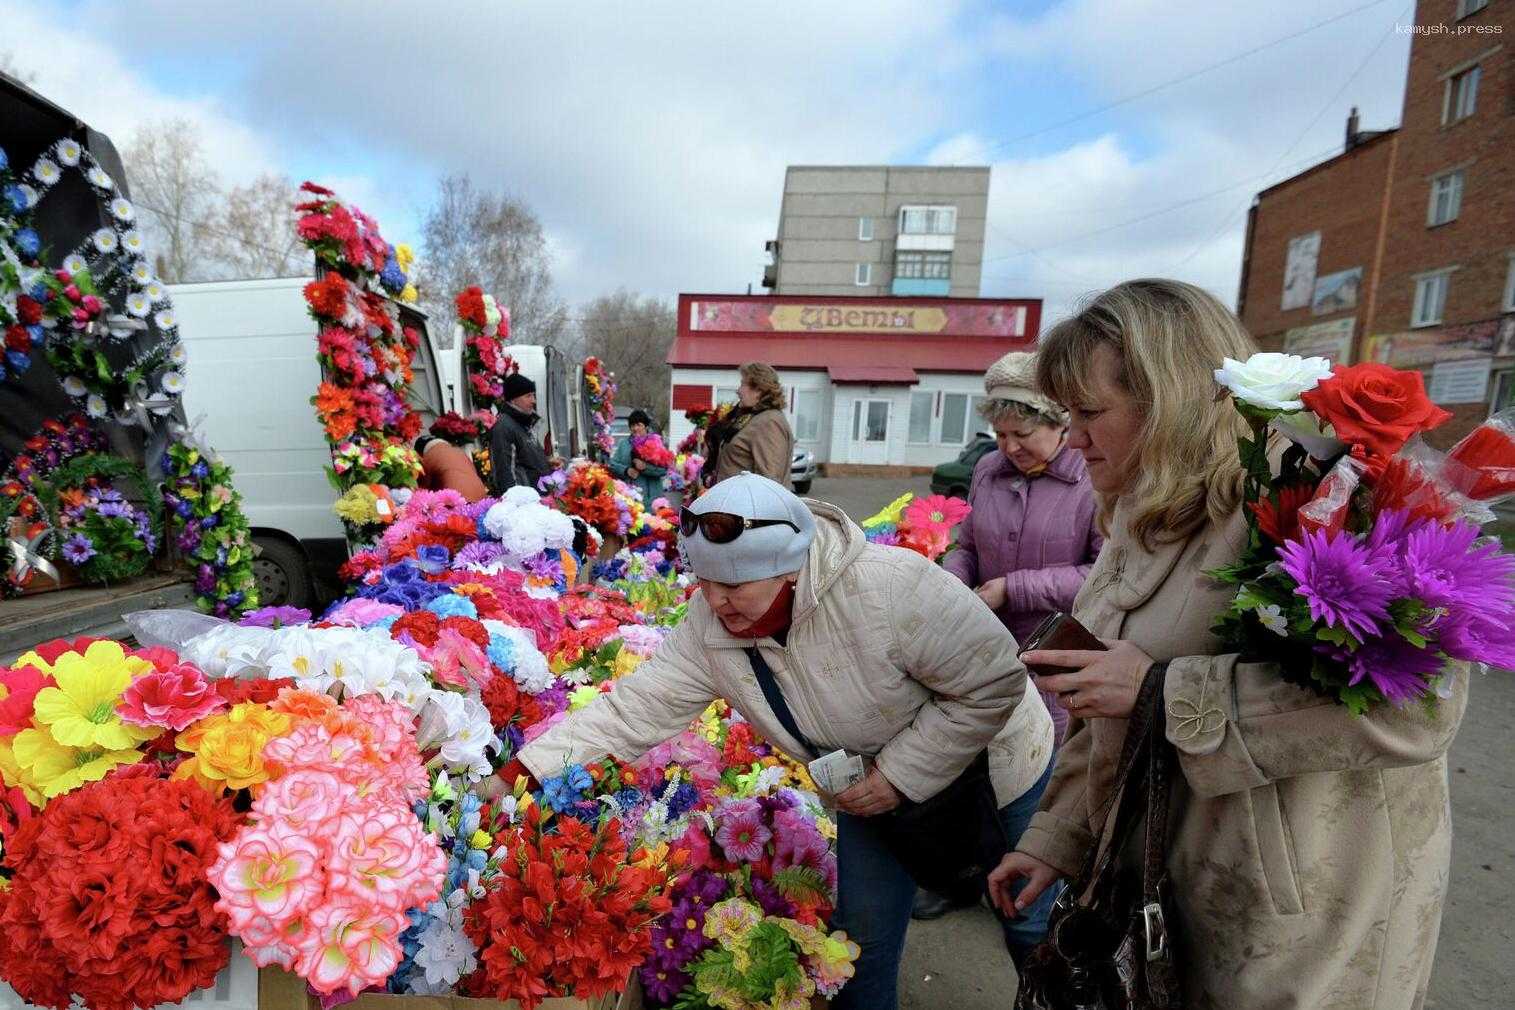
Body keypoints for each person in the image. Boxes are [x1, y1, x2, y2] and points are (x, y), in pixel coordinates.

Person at [988, 279, 1467, 1009]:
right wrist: (1054, 837)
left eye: (1088, 413)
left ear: (1171, 400)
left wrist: (1163, 689)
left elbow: (1415, 712)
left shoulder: (1322, 499)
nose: (1071, 438)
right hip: (1175, 891)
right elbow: (1104, 690)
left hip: (1303, 918)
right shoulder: (1142, 507)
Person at [516, 473, 1056, 1009]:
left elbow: (994, 682)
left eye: (734, 586)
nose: (716, 601)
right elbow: (636, 708)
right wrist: (523, 774)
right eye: (705, 583)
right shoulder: (710, 627)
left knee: (1027, 918)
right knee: (861, 939)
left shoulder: (892, 587)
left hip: (995, 767)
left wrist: (898, 776)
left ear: (790, 572)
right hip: (867, 790)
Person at [912, 351, 1101, 925]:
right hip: (982, 647)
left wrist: (1010, 588)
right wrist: (952, 584)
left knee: (1042, 770)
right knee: (974, 764)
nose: (1009, 447)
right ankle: (965, 875)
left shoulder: (1092, 477)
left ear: (1059, 421)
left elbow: (1102, 572)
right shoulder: (989, 470)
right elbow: (966, 544)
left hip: (1056, 651)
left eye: (1022, 433)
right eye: (1000, 433)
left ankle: (1030, 893)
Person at [703, 363, 794, 488]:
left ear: (759, 390)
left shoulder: (769, 423)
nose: (738, 390)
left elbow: (770, 482)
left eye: (743, 384)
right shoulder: (751, 418)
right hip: (734, 504)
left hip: (747, 506)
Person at [488, 373, 552, 494]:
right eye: (528, 396)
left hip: (537, 499)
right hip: (525, 504)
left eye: (533, 395)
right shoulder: (504, 427)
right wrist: (517, 503)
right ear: (513, 399)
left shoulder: (523, 423)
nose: (533, 400)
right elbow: (505, 472)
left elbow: (526, 461)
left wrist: (547, 463)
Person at [609, 408, 668, 508]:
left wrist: (645, 467)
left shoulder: (656, 443)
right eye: (632, 425)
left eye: (639, 425)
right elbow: (613, 465)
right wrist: (626, 470)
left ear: (646, 426)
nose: (635, 428)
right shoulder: (624, 444)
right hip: (630, 498)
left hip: (653, 499)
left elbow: (663, 470)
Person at [414, 435, 488, 503]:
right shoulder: (459, 451)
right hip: (482, 498)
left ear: (420, 453)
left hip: (459, 502)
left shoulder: (428, 457)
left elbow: (423, 489)